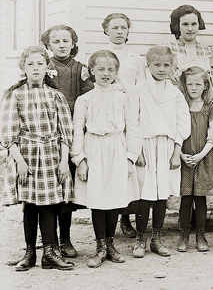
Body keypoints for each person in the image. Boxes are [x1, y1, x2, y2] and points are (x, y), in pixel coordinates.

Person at [1, 45, 75, 271]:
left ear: (47, 67)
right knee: (30, 206)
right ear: (23, 67)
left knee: (50, 205)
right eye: (30, 64)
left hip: (52, 156)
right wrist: (20, 161)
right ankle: (30, 252)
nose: (35, 68)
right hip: (27, 157)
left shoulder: (55, 95)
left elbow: (65, 132)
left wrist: (63, 161)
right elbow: (7, 134)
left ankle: (50, 253)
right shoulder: (15, 95)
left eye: (40, 63)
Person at [70, 50, 142, 268]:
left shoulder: (124, 98)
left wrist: (130, 157)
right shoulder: (85, 99)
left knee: (114, 200)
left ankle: (111, 244)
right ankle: (100, 247)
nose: (106, 73)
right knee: (98, 201)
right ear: (91, 71)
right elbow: (77, 130)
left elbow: (134, 128)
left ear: (116, 72)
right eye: (100, 69)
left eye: (111, 69)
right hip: (94, 150)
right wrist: (80, 159)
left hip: (117, 149)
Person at [131, 46, 191, 258]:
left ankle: (157, 238)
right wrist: (136, 150)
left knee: (160, 194)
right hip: (145, 146)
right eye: (157, 65)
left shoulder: (175, 92)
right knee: (144, 194)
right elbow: (132, 120)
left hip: (166, 147)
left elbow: (183, 122)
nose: (162, 69)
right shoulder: (138, 89)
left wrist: (176, 151)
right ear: (148, 66)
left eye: (166, 65)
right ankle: (140, 238)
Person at [41, 25, 93, 259]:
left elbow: (88, 96)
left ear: (73, 43)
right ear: (48, 46)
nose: (62, 45)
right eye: (56, 41)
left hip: (73, 131)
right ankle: (48, 241)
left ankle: (66, 239)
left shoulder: (81, 69)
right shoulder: (44, 67)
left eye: (66, 41)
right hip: (49, 133)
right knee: (48, 188)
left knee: (67, 190)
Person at [101, 12, 147, 237]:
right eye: (114, 28)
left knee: (132, 168)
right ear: (106, 30)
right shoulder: (101, 57)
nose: (119, 32)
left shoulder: (135, 58)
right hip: (109, 116)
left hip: (131, 113)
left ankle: (129, 217)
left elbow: (140, 87)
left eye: (123, 28)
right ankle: (113, 217)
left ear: (128, 31)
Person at [177, 66, 213, 252]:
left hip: (203, 156)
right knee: (185, 199)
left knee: (200, 198)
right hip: (185, 156)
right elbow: (176, 132)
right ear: (185, 85)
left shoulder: (211, 107)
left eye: (198, 84)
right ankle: (183, 235)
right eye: (190, 84)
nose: (194, 88)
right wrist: (182, 155)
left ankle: (201, 234)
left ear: (205, 85)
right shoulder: (180, 105)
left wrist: (199, 156)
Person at [162, 4, 213, 101]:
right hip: (174, 102)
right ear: (178, 26)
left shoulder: (209, 52)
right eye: (185, 24)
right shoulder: (168, 49)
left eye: (194, 24)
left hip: (203, 105)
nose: (190, 29)